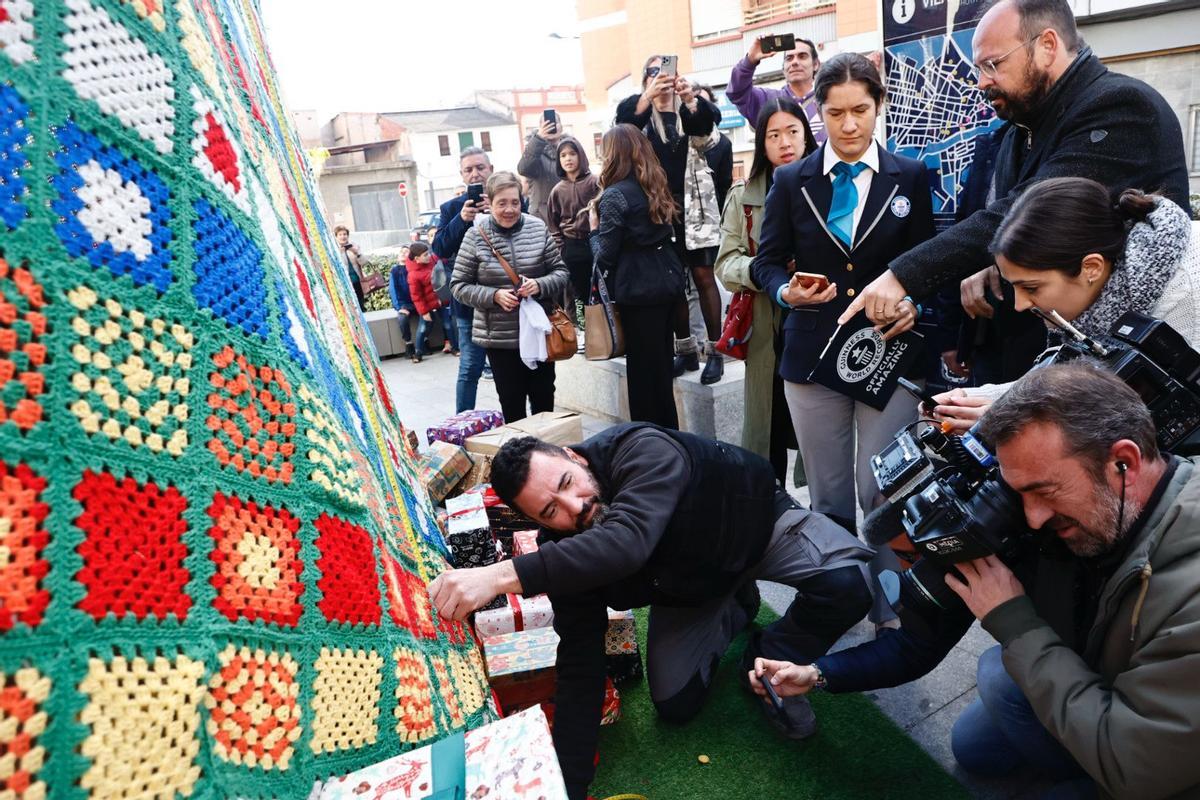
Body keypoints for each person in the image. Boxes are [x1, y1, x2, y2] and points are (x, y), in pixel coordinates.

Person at [749, 363, 1200, 799]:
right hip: (1099, 676)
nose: (1033, 516)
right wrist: (818, 673)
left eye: (1044, 491)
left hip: (1148, 760)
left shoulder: (1188, 581)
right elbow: (916, 646)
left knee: (1009, 685)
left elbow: (1135, 770)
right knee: (977, 741)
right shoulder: (1026, 519)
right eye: (1016, 491)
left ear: (1124, 462)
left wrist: (1014, 621)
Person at [429, 425, 875, 800]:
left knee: (849, 586)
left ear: (573, 455)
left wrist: (497, 576)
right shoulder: (564, 555)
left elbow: (626, 543)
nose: (576, 507)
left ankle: (772, 648)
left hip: (759, 528)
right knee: (676, 704)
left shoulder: (643, 449)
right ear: (539, 523)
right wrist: (568, 786)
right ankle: (738, 609)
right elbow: (581, 665)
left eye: (567, 483)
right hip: (691, 591)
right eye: (551, 512)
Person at [840, 0, 1190, 340]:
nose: (981, 82)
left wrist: (904, 275)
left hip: (1128, 351)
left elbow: (1027, 211)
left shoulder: (1121, 106)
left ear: (1047, 46)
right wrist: (994, 262)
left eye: (992, 64)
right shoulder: (1018, 129)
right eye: (979, 68)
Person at [751, 52, 935, 626]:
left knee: (882, 486)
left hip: (892, 353)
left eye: (860, 110)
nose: (849, 125)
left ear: (879, 107)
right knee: (827, 495)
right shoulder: (791, 179)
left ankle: (893, 608)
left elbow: (933, 263)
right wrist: (787, 294)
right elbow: (765, 264)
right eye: (835, 113)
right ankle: (838, 600)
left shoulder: (911, 174)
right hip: (811, 356)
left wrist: (916, 302)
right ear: (819, 112)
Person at [931, 178, 1200, 432]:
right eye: (1014, 286)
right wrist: (966, 400)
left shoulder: (1185, 294)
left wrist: (1019, 417)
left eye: (1032, 287)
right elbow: (1072, 380)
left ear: (1091, 267)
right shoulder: (1112, 282)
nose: (1020, 304)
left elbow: (1147, 414)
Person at [715, 98, 817, 483]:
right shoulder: (743, 196)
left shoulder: (831, 187)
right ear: (761, 143)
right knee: (767, 423)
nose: (785, 142)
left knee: (816, 425)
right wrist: (763, 271)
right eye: (773, 135)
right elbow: (725, 264)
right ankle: (771, 505)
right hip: (764, 325)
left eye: (793, 131)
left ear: (806, 134)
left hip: (816, 320)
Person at [615, 57, 721, 381]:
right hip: (658, 212)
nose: (662, 77)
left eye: (668, 70)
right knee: (673, 284)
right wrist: (647, 97)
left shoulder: (690, 110)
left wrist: (690, 99)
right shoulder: (640, 116)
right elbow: (622, 128)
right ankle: (686, 351)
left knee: (703, 277)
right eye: (653, 71)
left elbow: (708, 135)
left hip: (696, 208)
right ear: (645, 79)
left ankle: (715, 350)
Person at [586, 124, 686, 429]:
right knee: (661, 372)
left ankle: (650, 445)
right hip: (667, 286)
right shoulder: (654, 184)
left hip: (639, 293)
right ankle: (670, 438)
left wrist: (592, 230)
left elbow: (606, 254)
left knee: (643, 379)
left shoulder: (615, 196)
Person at [450, 171, 569, 422]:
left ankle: (546, 457)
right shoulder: (475, 235)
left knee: (544, 401)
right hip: (500, 339)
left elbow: (560, 273)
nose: (509, 209)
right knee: (512, 404)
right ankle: (520, 461)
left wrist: (539, 284)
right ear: (490, 203)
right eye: (501, 203)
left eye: (515, 202)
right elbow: (458, 285)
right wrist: (494, 296)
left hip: (539, 334)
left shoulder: (538, 228)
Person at [432, 147, 495, 412]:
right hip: (468, 301)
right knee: (470, 367)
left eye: (480, 167)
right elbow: (439, 249)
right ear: (461, 174)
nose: (475, 173)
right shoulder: (451, 209)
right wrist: (461, 219)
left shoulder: (508, 200)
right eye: (468, 169)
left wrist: (498, 212)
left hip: (506, 298)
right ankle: (463, 427)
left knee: (511, 370)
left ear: (490, 169)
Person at [726, 35, 826, 142]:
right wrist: (750, 60)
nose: (795, 62)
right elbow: (737, 93)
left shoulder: (828, 99)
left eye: (802, 56)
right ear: (783, 69)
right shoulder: (768, 100)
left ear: (816, 64)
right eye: (789, 58)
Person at [546, 136, 600, 325]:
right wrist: (562, 249)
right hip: (572, 248)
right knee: (578, 292)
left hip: (595, 242)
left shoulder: (595, 182)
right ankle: (585, 330)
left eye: (572, 153)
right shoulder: (557, 191)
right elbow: (553, 224)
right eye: (563, 155)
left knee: (600, 289)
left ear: (581, 156)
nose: (568, 158)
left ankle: (606, 331)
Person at [405, 242, 458, 363]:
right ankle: (418, 352)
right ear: (417, 258)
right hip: (427, 305)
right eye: (425, 255)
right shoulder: (413, 275)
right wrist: (424, 312)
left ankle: (455, 347)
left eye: (428, 253)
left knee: (448, 325)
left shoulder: (433, 260)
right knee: (423, 328)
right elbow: (416, 296)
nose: (428, 256)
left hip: (441, 301)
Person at [518, 114, 564, 224]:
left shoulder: (571, 149)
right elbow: (524, 169)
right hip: (542, 217)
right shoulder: (534, 152)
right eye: (546, 123)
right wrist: (539, 139)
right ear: (540, 128)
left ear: (561, 127)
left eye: (555, 122)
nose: (551, 125)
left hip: (568, 213)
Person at [388, 245, 418, 358]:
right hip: (404, 304)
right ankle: (408, 343)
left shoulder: (414, 268)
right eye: (401, 251)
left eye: (406, 252)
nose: (402, 253)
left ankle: (424, 341)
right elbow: (392, 290)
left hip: (417, 302)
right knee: (402, 318)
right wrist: (399, 307)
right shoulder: (395, 270)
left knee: (429, 317)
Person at [334, 225, 366, 310]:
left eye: (345, 234)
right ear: (336, 237)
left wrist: (357, 253)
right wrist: (339, 253)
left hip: (357, 280)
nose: (343, 236)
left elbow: (364, 262)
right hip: (345, 282)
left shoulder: (354, 246)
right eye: (340, 235)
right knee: (350, 307)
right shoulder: (334, 249)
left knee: (361, 304)